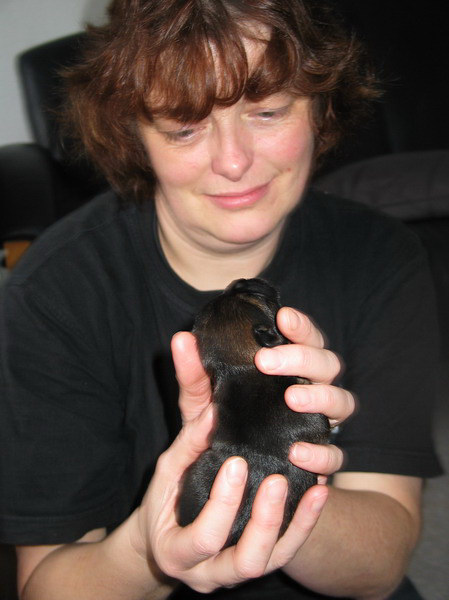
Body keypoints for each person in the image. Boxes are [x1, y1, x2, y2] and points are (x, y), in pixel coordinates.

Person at [0, 1, 442, 599]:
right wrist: (147, 547)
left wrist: (276, 463)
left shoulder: (381, 256)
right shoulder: (55, 295)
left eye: (268, 111)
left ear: (320, 109)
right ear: (135, 136)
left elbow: (379, 569)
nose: (233, 161)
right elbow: (47, 586)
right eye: (184, 126)